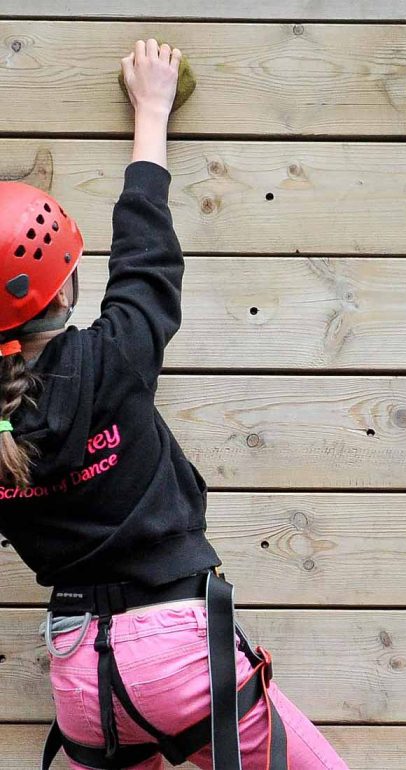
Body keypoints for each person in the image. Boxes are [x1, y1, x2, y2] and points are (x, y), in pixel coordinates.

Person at [0, 40, 347, 769]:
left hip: (80, 680)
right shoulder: (110, 356)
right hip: (176, 654)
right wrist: (151, 109)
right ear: (63, 290)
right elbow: (145, 253)